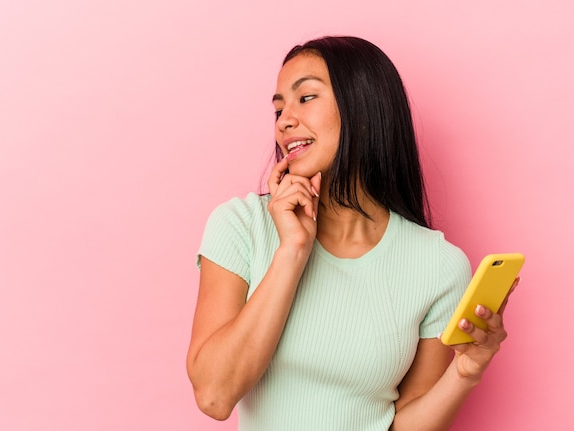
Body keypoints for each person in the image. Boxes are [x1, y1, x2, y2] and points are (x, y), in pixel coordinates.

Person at [187, 35, 519, 430]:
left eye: (305, 98)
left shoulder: (438, 266)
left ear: (363, 109)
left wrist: (466, 372)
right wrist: (292, 251)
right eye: (278, 109)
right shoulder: (242, 225)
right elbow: (213, 395)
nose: (284, 120)